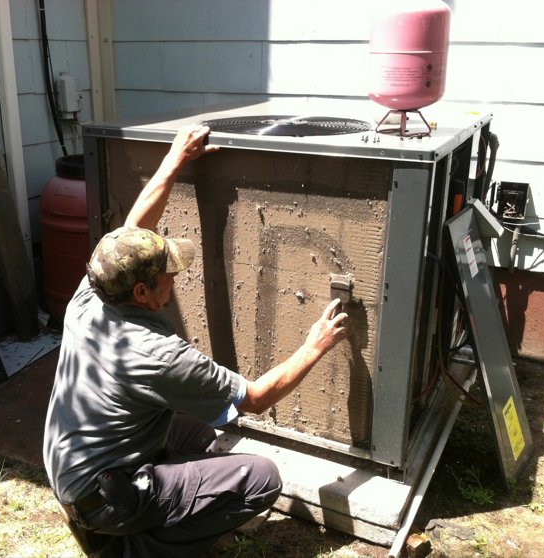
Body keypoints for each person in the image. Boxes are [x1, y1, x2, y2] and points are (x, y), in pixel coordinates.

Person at [43, 124, 348, 557]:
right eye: (167, 274)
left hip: (72, 471)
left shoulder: (91, 294)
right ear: (142, 293)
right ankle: (138, 548)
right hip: (103, 495)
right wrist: (314, 345)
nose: (175, 276)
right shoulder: (159, 355)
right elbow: (256, 398)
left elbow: (133, 229)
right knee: (261, 478)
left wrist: (175, 158)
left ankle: (119, 517)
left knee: (199, 431)